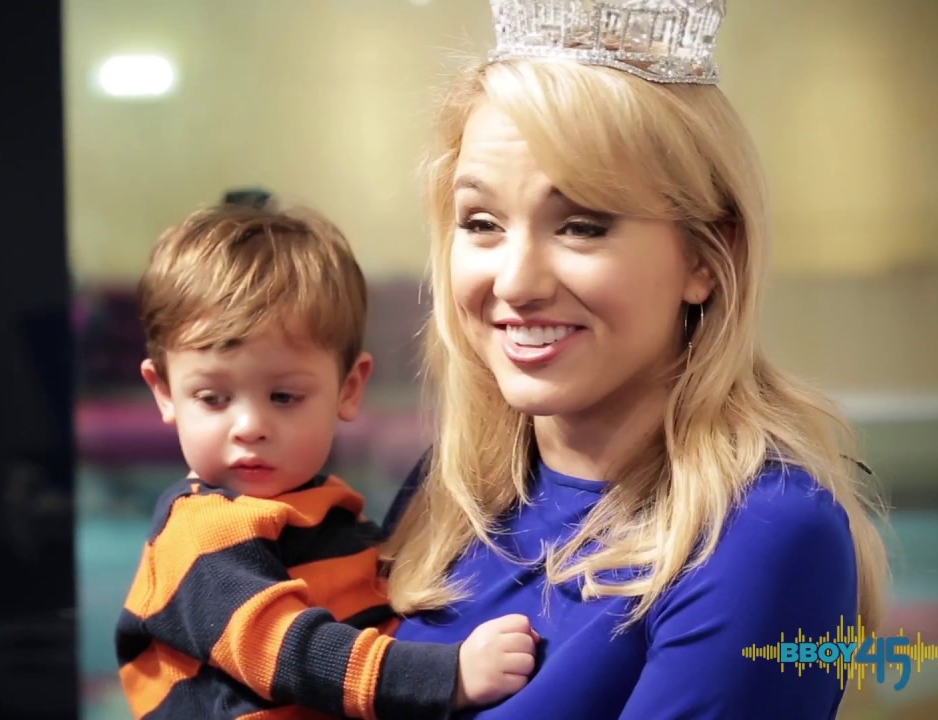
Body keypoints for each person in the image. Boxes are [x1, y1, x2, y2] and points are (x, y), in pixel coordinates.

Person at [380, 1, 892, 719]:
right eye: (482, 222)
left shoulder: (767, 539)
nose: (517, 283)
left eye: (583, 225)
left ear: (709, 256)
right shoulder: (451, 492)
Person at [114, 205, 539, 720]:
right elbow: (295, 653)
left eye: (284, 397)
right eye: (213, 398)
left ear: (349, 388)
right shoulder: (202, 534)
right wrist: (450, 676)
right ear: (164, 394)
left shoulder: (328, 509)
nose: (250, 426)